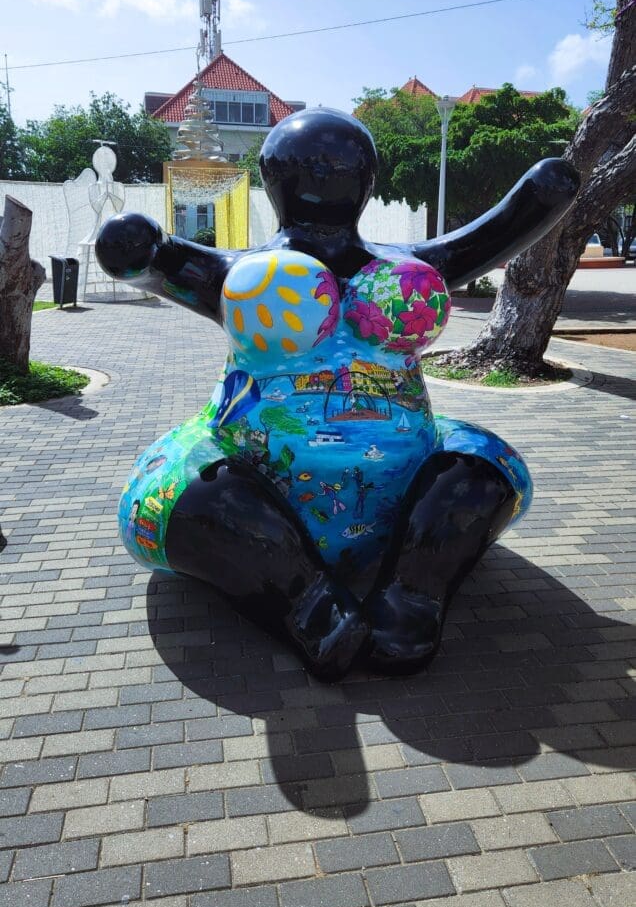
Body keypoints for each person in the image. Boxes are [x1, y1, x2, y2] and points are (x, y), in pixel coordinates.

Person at [96, 107, 579, 680]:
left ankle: (411, 592)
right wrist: (143, 253)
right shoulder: (235, 273)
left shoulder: (406, 266)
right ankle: (309, 602)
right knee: (184, 495)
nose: (327, 178)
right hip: (257, 481)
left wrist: (535, 202)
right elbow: (153, 264)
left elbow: (489, 237)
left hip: (403, 485)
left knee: (483, 471)